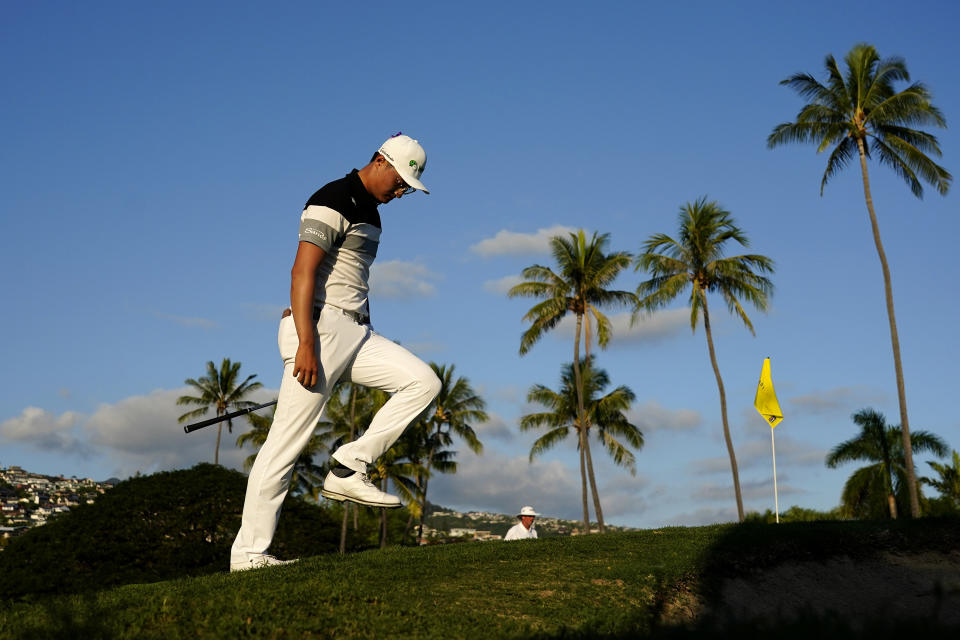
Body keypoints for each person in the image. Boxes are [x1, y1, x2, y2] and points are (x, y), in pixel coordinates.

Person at [230, 133, 441, 572]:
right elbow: (302, 270)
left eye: (408, 187)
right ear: (381, 161)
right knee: (284, 446)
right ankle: (248, 554)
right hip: (320, 333)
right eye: (400, 181)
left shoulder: (373, 215)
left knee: (424, 382)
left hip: (356, 334)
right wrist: (307, 343)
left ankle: (349, 465)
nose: (401, 191)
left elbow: (350, 280)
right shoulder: (334, 198)